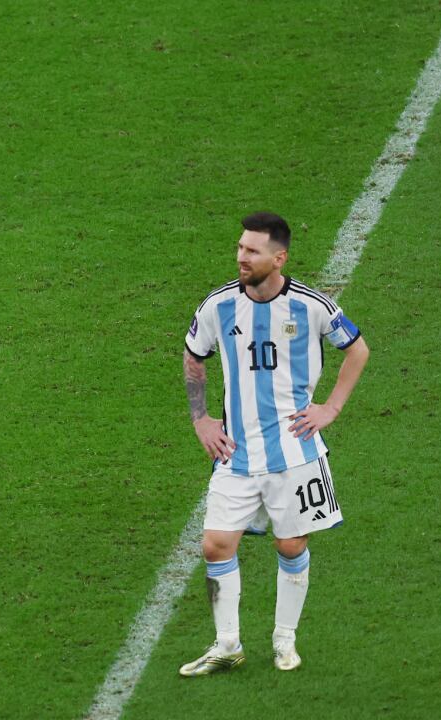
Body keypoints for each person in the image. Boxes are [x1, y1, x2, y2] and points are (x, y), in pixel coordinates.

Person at [179, 212, 369, 674]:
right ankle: (227, 645)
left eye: (252, 251)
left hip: (295, 453)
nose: (241, 257)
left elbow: (357, 350)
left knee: (290, 546)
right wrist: (201, 419)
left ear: (278, 257)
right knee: (215, 545)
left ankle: (285, 640)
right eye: (241, 248)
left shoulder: (311, 306)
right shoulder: (218, 306)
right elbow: (193, 356)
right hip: (236, 453)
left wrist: (331, 409)